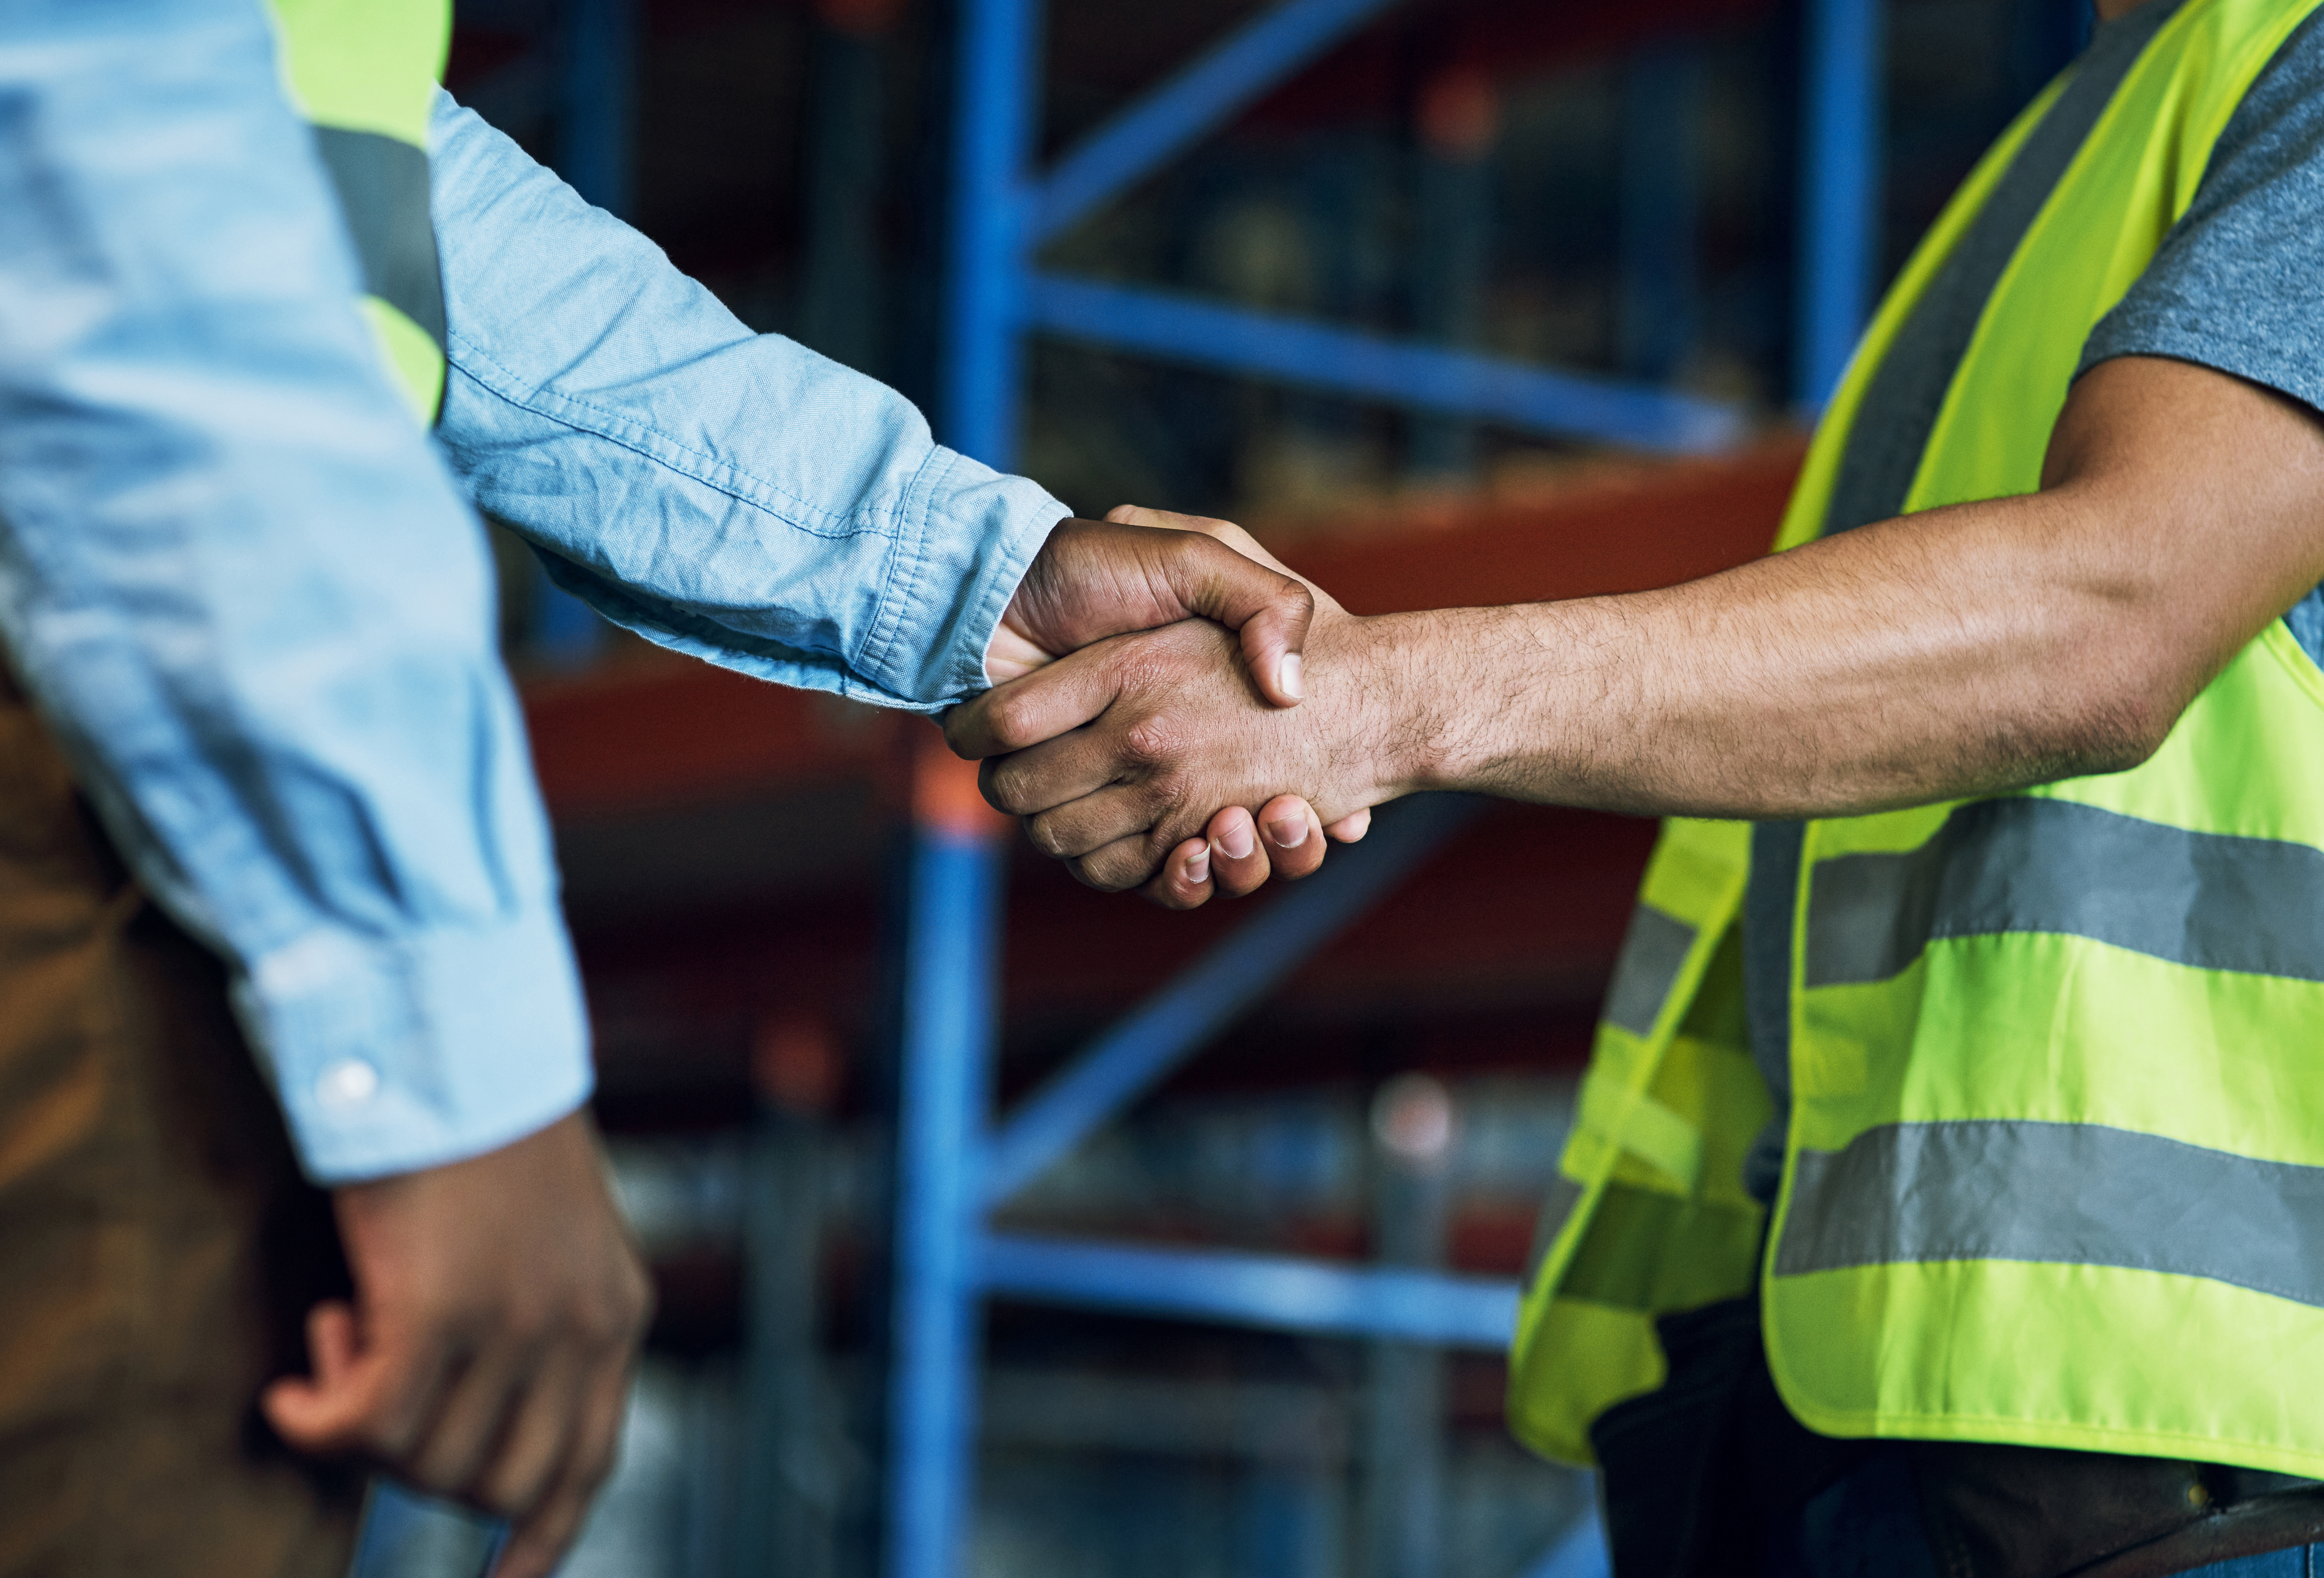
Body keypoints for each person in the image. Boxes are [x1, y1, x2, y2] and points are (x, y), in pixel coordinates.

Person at [949, 0, 2324, 1571]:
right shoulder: (2091, 125)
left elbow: (2110, 613)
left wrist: (1367, 699)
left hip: (2203, 1466)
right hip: (1874, 1425)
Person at [0, 4, 1338, 1577]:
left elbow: (316, 164)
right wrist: (447, 1053)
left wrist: (975, 566)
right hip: (97, 750)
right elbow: (130, 200)